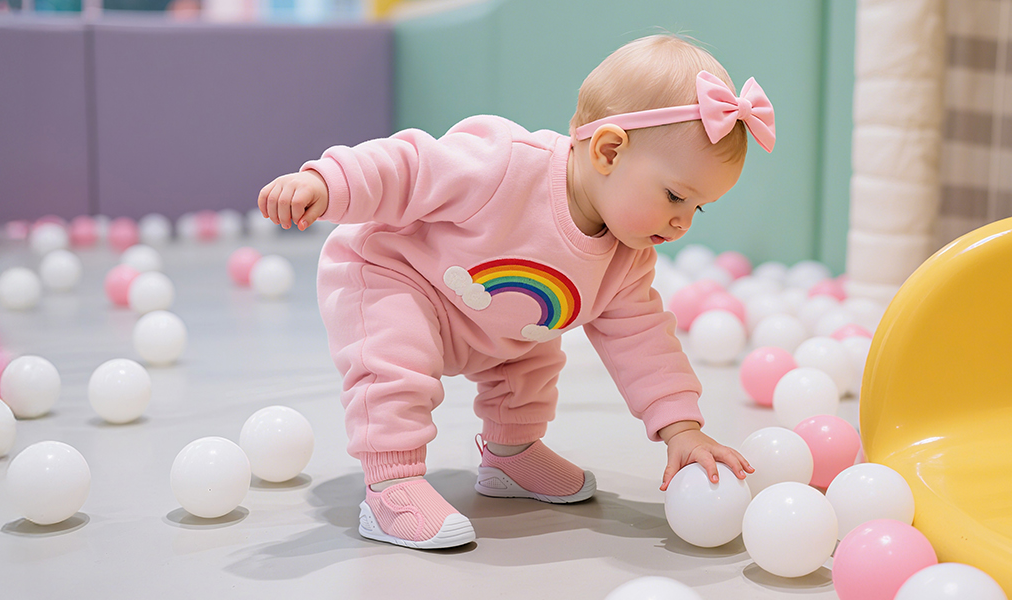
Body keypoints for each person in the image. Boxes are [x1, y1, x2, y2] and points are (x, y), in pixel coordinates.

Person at [256, 34, 775, 550]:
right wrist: (328, 183)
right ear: (609, 151)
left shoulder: (627, 261)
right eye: (675, 196)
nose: (683, 222)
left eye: (697, 208)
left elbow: (644, 342)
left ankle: (511, 454)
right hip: (400, 275)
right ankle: (391, 485)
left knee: (532, 358)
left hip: (496, 321)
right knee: (396, 363)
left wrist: (682, 429)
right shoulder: (504, 165)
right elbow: (410, 167)